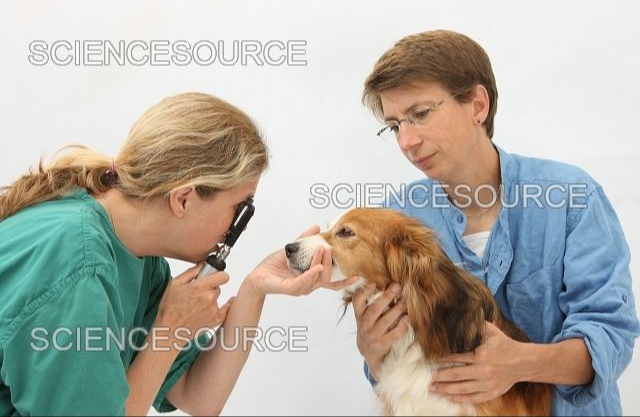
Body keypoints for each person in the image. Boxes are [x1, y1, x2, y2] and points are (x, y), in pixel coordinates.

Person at [0, 92, 356, 416]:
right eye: (238, 209)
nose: (235, 230)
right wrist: (170, 330)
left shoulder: (137, 256)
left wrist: (255, 288)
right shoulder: (77, 264)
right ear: (183, 198)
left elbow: (198, 397)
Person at [352, 30, 639, 415]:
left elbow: (610, 338)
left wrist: (520, 362)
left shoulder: (571, 196)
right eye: (394, 125)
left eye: (420, 115)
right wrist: (373, 352)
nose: (406, 141)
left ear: (478, 104)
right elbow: (394, 371)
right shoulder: (394, 221)